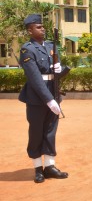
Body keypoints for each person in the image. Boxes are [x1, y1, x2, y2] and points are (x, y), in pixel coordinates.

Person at [18, 14, 69, 183]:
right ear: (30, 30)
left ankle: (49, 166)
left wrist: (59, 68)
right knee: (36, 132)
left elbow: (56, 70)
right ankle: (38, 168)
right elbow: (34, 78)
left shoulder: (50, 46)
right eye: (38, 27)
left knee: (50, 130)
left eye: (42, 26)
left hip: (53, 91)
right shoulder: (27, 49)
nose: (42, 29)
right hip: (37, 97)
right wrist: (48, 100)